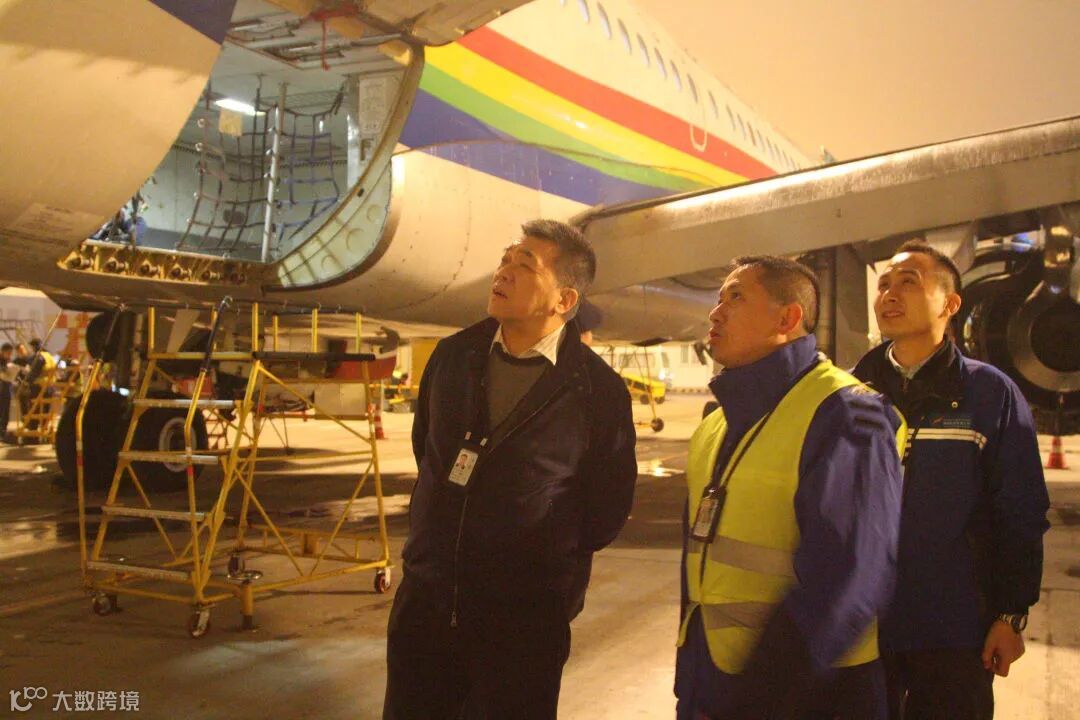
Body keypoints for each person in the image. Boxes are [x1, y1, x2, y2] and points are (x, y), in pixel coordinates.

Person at [383, 219, 637, 720]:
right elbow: (427, 452)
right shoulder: (453, 357)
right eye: (505, 259)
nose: (503, 271)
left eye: (525, 265)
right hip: (427, 605)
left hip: (524, 621)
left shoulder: (597, 390)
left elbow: (605, 509)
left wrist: (546, 571)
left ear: (564, 300)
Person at [676, 255, 905, 720]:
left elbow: (850, 579)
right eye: (718, 299)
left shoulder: (845, 414)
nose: (715, 312)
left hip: (807, 693)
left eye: (736, 297)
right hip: (709, 679)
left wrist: (763, 695)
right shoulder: (715, 424)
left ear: (787, 319)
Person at [851, 240, 1050, 720]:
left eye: (908, 282)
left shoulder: (990, 393)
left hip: (956, 629)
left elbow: (1020, 511)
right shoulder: (852, 393)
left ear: (950, 303)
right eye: (883, 284)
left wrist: (1009, 615)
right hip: (861, 627)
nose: (889, 294)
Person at [0, 343, 15, 442]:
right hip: (1, 388)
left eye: (11, 353)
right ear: (2, 351)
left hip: (7, 389)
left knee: (6, 412)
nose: (10, 355)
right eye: (8, 353)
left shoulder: (8, 361)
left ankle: (3, 432)